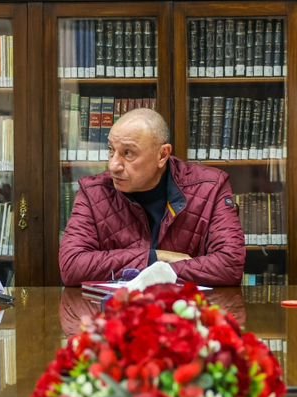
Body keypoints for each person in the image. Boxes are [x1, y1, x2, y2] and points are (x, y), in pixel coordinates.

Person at [58, 107, 244, 286]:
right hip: (117, 306)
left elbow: (230, 264)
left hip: (188, 307)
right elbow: (72, 266)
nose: (113, 165)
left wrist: (158, 271)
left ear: (162, 155)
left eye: (128, 153)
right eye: (111, 150)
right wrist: (156, 257)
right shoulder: (94, 193)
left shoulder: (211, 187)